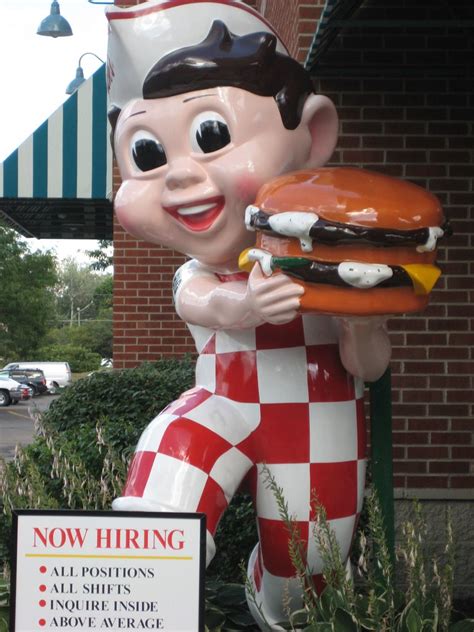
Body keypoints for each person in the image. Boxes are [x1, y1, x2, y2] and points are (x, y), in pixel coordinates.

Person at [107, 1, 391, 627]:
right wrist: (247, 302)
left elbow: (365, 368)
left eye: (210, 136)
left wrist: (365, 321)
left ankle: (270, 604)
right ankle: (129, 604)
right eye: (148, 154)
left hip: (322, 418)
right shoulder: (200, 274)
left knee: (308, 570)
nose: (181, 176)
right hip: (221, 404)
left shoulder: (331, 267)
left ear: (311, 136)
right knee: (169, 468)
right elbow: (205, 302)